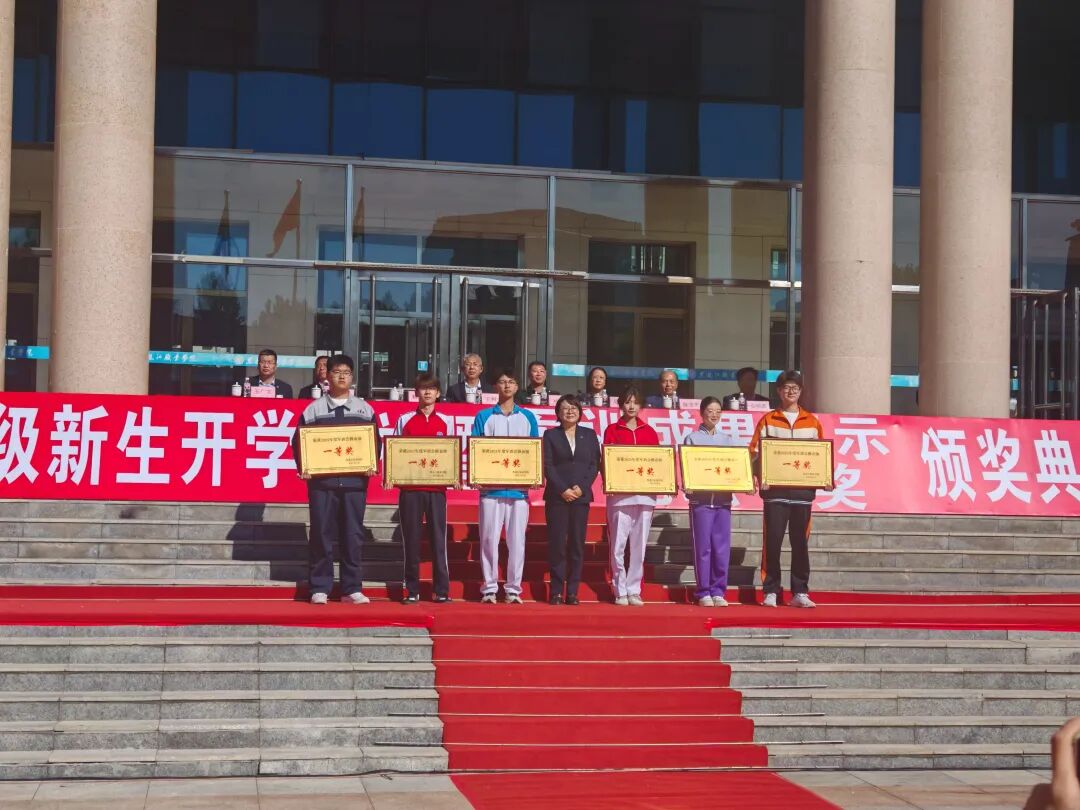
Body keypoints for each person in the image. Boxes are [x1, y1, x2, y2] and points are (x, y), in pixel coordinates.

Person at [294, 355, 377, 605]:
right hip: (323, 484)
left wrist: (371, 464)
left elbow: (376, 442)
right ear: (327, 376)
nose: (342, 376)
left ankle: (352, 587)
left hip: (354, 484)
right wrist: (304, 467)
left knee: (353, 535)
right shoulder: (313, 409)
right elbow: (298, 442)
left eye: (347, 372)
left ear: (352, 377)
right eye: (337, 372)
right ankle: (320, 586)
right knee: (321, 534)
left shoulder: (364, 409)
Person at [748, 370, 825, 609]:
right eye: (786, 388)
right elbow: (754, 452)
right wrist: (760, 476)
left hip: (802, 493)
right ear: (779, 391)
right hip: (775, 492)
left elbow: (821, 456)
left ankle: (800, 591)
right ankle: (771, 591)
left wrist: (825, 478)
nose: (790, 392)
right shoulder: (768, 420)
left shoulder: (812, 422)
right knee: (772, 543)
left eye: (795, 388)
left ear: (801, 392)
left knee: (800, 544)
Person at [472, 368, 540, 604]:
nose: (507, 386)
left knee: (517, 542)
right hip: (490, 491)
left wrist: (533, 477)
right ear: (495, 387)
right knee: (488, 540)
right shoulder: (483, 416)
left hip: (519, 492)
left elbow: (534, 452)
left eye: (511, 382)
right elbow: (476, 450)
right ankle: (489, 588)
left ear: (517, 386)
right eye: (502, 382)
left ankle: (513, 589)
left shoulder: (528, 417)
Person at [394, 373, 454, 604]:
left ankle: (442, 590)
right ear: (416, 392)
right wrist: (392, 476)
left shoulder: (447, 420)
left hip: (437, 489)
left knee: (438, 540)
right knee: (411, 540)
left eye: (432, 389)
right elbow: (396, 451)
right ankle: (412, 590)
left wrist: (454, 477)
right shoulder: (405, 419)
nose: (427, 392)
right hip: (410, 489)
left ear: (438, 393)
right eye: (423, 388)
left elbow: (452, 451)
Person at [602, 385, 659, 606]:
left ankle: (634, 589)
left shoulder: (649, 431)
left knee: (639, 546)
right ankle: (619, 589)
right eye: (627, 402)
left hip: (645, 497)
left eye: (635, 402)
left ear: (641, 405)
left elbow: (658, 462)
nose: (631, 406)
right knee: (618, 545)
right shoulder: (612, 430)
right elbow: (606, 461)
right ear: (621, 405)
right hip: (620, 497)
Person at [543, 395, 600, 605]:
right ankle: (557, 591)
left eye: (574, 408)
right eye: (565, 408)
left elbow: (594, 465)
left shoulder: (589, 435)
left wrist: (581, 488)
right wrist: (563, 489)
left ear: (580, 412)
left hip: (581, 497)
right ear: (558, 413)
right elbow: (548, 465)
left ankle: (573, 592)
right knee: (557, 545)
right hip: (557, 498)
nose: (570, 411)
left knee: (576, 545)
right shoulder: (551, 435)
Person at [683, 397, 739, 607]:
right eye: (710, 410)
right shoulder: (692, 438)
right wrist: (688, 484)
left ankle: (718, 591)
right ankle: (703, 591)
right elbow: (687, 467)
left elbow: (735, 468)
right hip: (701, 501)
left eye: (718, 411)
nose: (714, 414)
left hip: (723, 501)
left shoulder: (727, 440)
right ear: (701, 412)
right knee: (703, 548)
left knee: (721, 549)